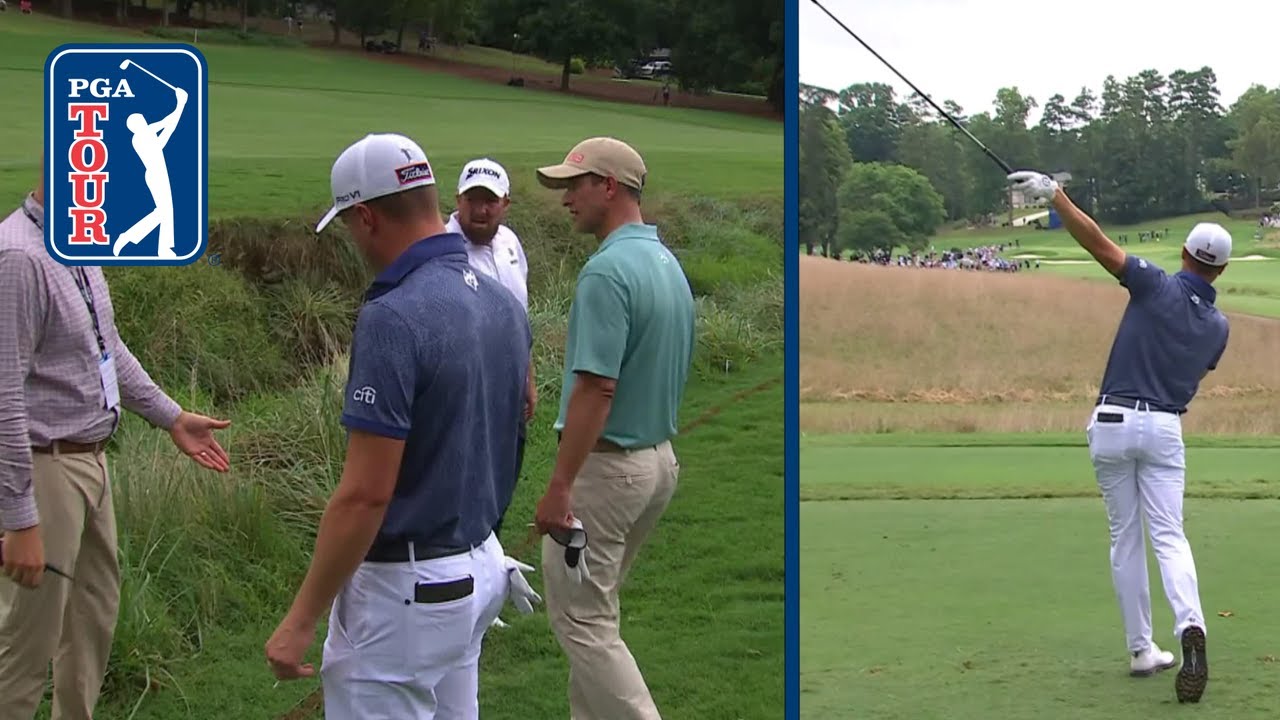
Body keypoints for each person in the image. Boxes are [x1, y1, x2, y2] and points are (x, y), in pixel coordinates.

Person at [265, 132, 541, 719]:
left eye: (347, 224)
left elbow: (365, 494)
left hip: (407, 592)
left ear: (365, 217)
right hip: (479, 564)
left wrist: (301, 619)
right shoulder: (503, 303)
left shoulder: (392, 315)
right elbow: (514, 432)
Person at [0, 157, 232, 720]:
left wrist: (172, 417)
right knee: (25, 645)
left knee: (92, 619)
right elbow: (4, 395)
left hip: (91, 464)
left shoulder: (74, 245)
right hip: (46, 469)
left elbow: (107, 349)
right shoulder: (19, 259)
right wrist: (20, 521)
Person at [1009, 170, 1226, 704]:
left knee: (1125, 538)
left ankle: (1140, 650)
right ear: (1220, 269)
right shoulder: (1219, 327)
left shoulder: (1155, 284)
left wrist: (1054, 195)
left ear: (1183, 253)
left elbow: (1099, 244)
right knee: (1169, 535)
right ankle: (1191, 625)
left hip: (1112, 422)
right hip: (1166, 428)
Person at [531, 136, 695, 720]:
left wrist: (559, 487)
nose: (566, 199)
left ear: (609, 187)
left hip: (608, 471)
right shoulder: (664, 263)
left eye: (574, 186)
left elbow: (598, 387)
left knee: (582, 621)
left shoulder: (606, 272)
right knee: (595, 614)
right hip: (657, 464)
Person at [445, 157, 535, 536]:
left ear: (505, 204)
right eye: (472, 199)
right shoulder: (443, 248)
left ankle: (490, 553)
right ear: (458, 200)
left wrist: (527, 376)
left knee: (503, 479)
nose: (481, 210)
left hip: (509, 389)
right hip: (465, 392)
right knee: (466, 488)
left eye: (490, 201)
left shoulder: (510, 243)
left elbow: (520, 318)